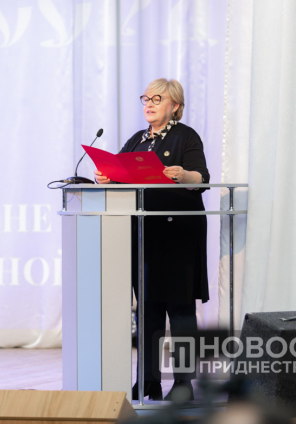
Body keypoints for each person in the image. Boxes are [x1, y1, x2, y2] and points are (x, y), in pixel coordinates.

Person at [95, 78, 209, 401]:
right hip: (145, 235)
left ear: (175, 105)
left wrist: (182, 175)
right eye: (146, 98)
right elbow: (119, 171)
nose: (149, 104)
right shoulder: (138, 140)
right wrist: (105, 177)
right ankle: (148, 381)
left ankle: (184, 385)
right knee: (147, 311)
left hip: (178, 235)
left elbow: (202, 178)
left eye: (157, 99)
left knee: (181, 311)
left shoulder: (186, 136)